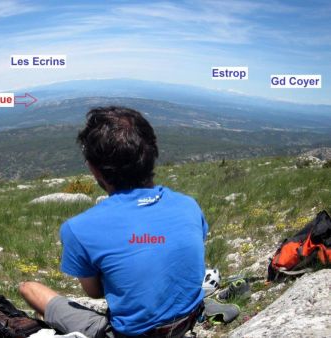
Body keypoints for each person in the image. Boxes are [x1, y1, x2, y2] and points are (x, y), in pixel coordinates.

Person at [19, 106, 208, 338]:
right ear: (152, 155)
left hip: (131, 334)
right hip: (186, 323)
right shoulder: (188, 204)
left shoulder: (78, 228)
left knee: (28, 288)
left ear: (93, 168)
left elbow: (95, 292)